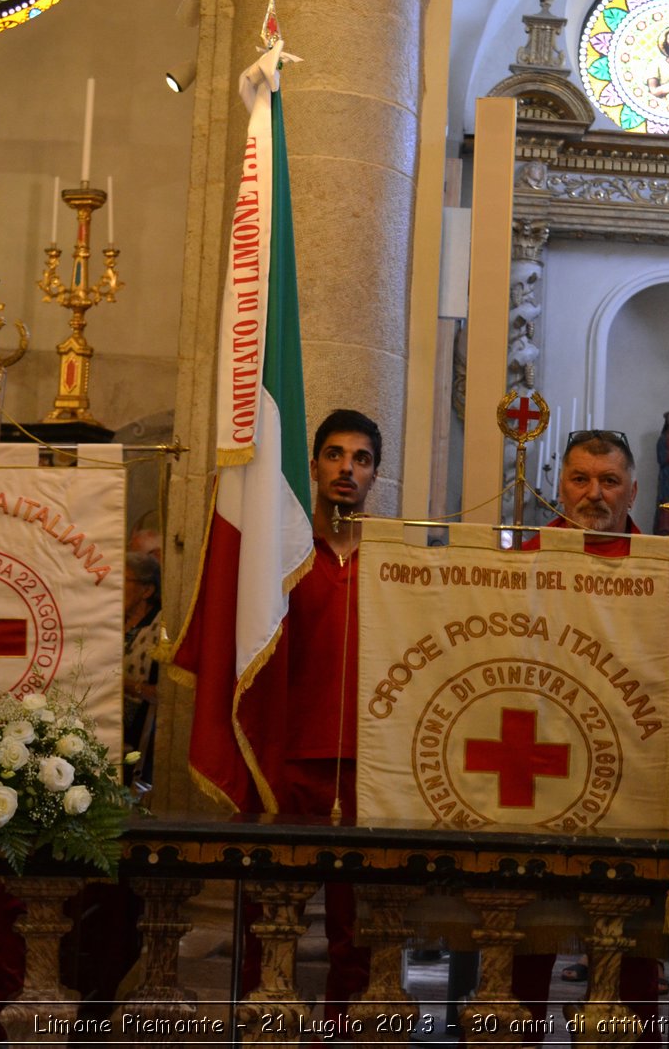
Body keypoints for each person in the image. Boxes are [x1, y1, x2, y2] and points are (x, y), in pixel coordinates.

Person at [516, 428, 665, 1039]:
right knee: (528, 931)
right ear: (559, 487)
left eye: (609, 482)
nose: (594, 494)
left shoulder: (666, 568)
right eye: (580, 479)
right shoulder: (521, 562)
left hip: (636, 777)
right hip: (538, 768)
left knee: (631, 937)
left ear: (633, 490)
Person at [252, 408, 380, 1014]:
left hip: (370, 762)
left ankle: (346, 1026)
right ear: (314, 466)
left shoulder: (393, 562)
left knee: (360, 920)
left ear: (375, 474)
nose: (346, 469)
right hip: (291, 754)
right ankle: (266, 1016)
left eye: (360, 458)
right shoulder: (284, 556)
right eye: (335, 455)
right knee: (274, 908)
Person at [121, 551, 162, 789]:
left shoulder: (158, 629)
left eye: (124, 580)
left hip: (140, 736)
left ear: (147, 590)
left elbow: (162, 693)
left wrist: (123, 684)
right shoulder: (108, 621)